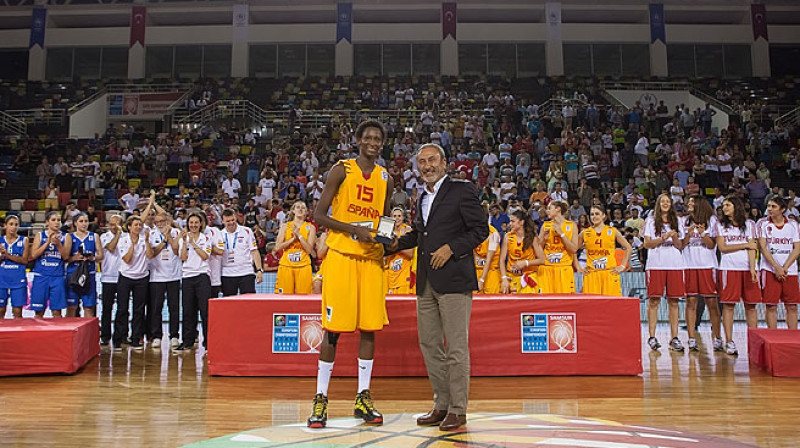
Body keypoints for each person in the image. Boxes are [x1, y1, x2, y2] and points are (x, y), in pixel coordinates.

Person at [395, 143, 489, 432]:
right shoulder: (421, 196)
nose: (427, 166)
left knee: (456, 348)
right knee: (429, 344)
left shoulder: (461, 190)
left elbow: (480, 229)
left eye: (432, 160)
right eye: (422, 162)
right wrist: (392, 244)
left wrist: (452, 248)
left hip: (454, 280)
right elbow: (420, 235)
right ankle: (442, 405)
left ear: (445, 162)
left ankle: (458, 410)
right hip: (425, 282)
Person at [307, 120, 394, 429]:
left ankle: (363, 397)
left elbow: (385, 218)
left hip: (371, 261)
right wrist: (354, 230)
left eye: (377, 138)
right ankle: (320, 399)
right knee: (334, 330)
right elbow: (318, 215)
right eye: (367, 137)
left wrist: (386, 239)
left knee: (368, 329)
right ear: (358, 140)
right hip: (342, 257)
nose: (372, 142)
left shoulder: (386, 177)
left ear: (382, 144)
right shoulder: (341, 170)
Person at [715, 195, 760, 356]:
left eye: (728, 205)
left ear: (736, 206)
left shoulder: (749, 224)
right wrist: (745, 244)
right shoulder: (720, 225)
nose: (725, 208)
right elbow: (722, 248)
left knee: (751, 306)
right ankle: (729, 341)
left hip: (747, 269)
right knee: (728, 306)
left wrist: (753, 269)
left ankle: (754, 341)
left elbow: (753, 247)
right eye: (724, 205)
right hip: (729, 268)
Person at [643, 194, 686, 352]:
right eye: (663, 201)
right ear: (658, 204)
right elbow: (647, 244)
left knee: (674, 302)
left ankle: (674, 338)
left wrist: (673, 237)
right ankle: (652, 337)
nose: (666, 203)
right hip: (656, 264)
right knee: (654, 301)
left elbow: (680, 245)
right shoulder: (651, 221)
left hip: (674, 264)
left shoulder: (678, 221)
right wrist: (663, 238)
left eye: (668, 201)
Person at [681, 195, 722, 352]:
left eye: (692, 202)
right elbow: (681, 245)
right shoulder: (684, 221)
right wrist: (688, 235)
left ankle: (717, 337)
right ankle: (691, 339)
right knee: (691, 302)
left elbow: (712, 246)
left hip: (708, 265)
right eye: (689, 202)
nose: (689, 204)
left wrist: (703, 233)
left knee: (712, 303)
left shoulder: (712, 221)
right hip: (689, 265)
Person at [757, 198, 800, 330]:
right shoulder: (762, 223)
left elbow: (797, 248)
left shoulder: (793, 224)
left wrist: (785, 267)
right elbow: (763, 248)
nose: (769, 208)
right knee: (771, 306)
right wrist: (776, 267)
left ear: (782, 209)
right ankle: (773, 338)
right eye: (769, 206)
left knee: (792, 306)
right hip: (769, 270)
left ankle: (793, 338)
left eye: (773, 206)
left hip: (789, 270)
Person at [174, 212, 213, 353]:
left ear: (201, 224)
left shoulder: (206, 238)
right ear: (187, 224)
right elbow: (183, 257)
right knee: (188, 310)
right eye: (191, 223)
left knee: (205, 311)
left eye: (196, 222)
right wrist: (185, 242)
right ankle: (187, 341)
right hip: (187, 277)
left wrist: (193, 243)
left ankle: (208, 343)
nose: (194, 225)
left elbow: (205, 256)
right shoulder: (182, 240)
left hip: (202, 276)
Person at [144, 212, 181, 349]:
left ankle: (174, 336)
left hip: (174, 275)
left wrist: (169, 237)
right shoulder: (151, 234)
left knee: (174, 307)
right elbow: (151, 254)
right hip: (156, 276)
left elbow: (177, 251)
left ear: (168, 220)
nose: (160, 223)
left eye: (162, 221)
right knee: (156, 308)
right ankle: (157, 336)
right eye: (157, 221)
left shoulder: (176, 232)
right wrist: (164, 241)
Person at [114, 216, 150, 350]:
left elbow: (150, 255)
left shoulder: (145, 240)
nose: (138, 227)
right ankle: (119, 338)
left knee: (139, 310)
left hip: (142, 277)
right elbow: (127, 259)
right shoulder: (123, 241)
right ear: (129, 227)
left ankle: (136, 338)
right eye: (135, 225)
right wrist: (133, 245)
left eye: (140, 225)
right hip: (126, 276)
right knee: (122, 309)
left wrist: (146, 241)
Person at [578, 206, 631, 296]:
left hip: (609, 273)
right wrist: (579, 267)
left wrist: (622, 266)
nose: (594, 216)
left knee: (612, 305)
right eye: (592, 214)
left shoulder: (612, 231)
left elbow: (628, 248)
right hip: (592, 274)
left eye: (597, 214)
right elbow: (573, 249)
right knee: (592, 306)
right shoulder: (585, 233)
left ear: (603, 216)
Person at [30, 212, 70, 318]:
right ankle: (36, 334)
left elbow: (66, 257)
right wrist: (47, 243)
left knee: (57, 312)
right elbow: (33, 255)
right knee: (39, 312)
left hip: (57, 277)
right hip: (41, 276)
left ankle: (59, 335)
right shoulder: (40, 235)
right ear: (47, 222)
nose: (57, 222)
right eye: (53, 220)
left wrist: (58, 245)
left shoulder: (66, 236)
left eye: (58, 220)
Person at [65, 213, 103, 318]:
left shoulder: (94, 236)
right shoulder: (69, 237)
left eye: (86, 221)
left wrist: (92, 258)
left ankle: (88, 334)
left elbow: (101, 256)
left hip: (88, 274)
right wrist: (74, 258)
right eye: (81, 221)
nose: (84, 224)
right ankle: (69, 332)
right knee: (71, 307)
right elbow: (65, 257)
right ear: (75, 223)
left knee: (89, 307)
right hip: (73, 274)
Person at [275, 202, 316, 294]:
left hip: (304, 265)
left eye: (303, 208)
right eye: (298, 207)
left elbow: (309, 250)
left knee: (304, 297)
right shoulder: (285, 226)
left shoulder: (310, 227)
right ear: (293, 210)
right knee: (284, 297)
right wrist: (292, 240)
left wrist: (299, 236)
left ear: (306, 212)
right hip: (286, 265)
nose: (300, 209)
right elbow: (277, 247)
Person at [220, 209, 264, 296]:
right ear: (222, 221)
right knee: (229, 304)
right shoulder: (220, 234)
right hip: (227, 273)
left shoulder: (247, 231)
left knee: (249, 303)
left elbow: (254, 251)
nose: (231, 223)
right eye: (228, 221)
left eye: (233, 220)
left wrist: (259, 270)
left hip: (246, 272)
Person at [538, 201, 579, 294]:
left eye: (549, 208)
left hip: (564, 269)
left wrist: (562, 234)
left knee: (565, 303)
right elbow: (538, 249)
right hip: (547, 268)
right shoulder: (545, 225)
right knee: (546, 303)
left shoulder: (571, 225)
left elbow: (574, 249)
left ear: (558, 209)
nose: (547, 211)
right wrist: (543, 239)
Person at [499, 211, 545, 294]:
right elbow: (502, 260)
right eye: (510, 221)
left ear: (521, 222)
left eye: (513, 221)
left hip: (528, 277)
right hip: (512, 277)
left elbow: (542, 260)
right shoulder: (508, 237)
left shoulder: (532, 238)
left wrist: (525, 263)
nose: (510, 224)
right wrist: (504, 278)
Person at [99, 215, 123, 347]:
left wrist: (120, 234)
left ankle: (120, 336)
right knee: (107, 309)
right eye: (112, 224)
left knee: (122, 309)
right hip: (108, 277)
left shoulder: (127, 236)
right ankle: (105, 336)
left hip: (123, 276)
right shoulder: (104, 237)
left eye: (117, 224)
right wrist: (118, 234)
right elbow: (111, 247)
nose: (114, 226)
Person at [0, 215, 29, 319]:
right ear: (5, 226)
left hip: (18, 279)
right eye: (11, 224)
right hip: (2, 279)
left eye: (16, 224)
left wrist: (7, 255)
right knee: (1, 310)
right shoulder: (0, 241)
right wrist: (1, 255)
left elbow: (25, 261)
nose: (14, 227)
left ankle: (18, 334)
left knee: (17, 311)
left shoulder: (24, 240)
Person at [385, 207, 414, 294]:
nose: (397, 218)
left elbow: (410, 254)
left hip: (403, 275)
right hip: (389, 275)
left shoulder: (407, 231)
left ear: (403, 217)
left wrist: (395, 245)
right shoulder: (386, 231)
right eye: (394, 216)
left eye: (399, 216)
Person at [474, 224, 502, 294]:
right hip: (476, 271)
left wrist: (482, 280)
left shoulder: (494, 234)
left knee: (491, 300)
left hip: (491, 271)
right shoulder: (472, 230)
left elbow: (489, 259)